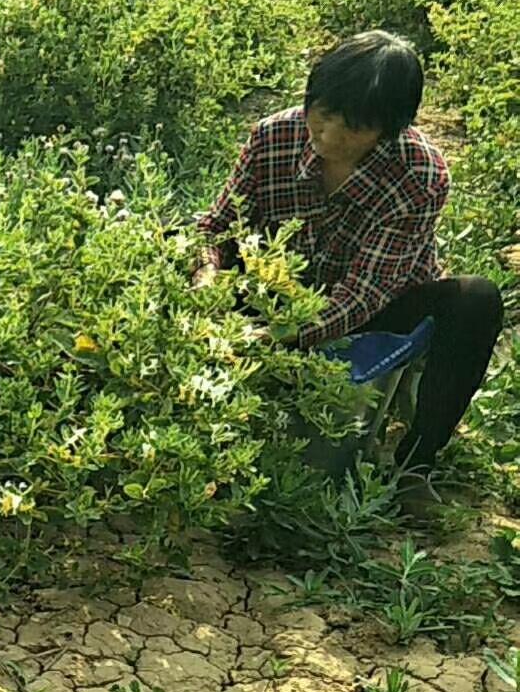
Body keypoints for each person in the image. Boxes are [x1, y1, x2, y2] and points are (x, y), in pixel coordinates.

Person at [194, 31, 503, 507]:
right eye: (324, 116)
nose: (331, 137)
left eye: (354, 128)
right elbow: (217, 226)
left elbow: (366, 292)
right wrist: (209, 278)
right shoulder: (273, 137)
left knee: (475, 300)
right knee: (176, 246)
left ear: (389, 128)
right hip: (276, 293)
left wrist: (280, 334)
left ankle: (415, 465)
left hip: (376, 309)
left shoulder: (419, 174)